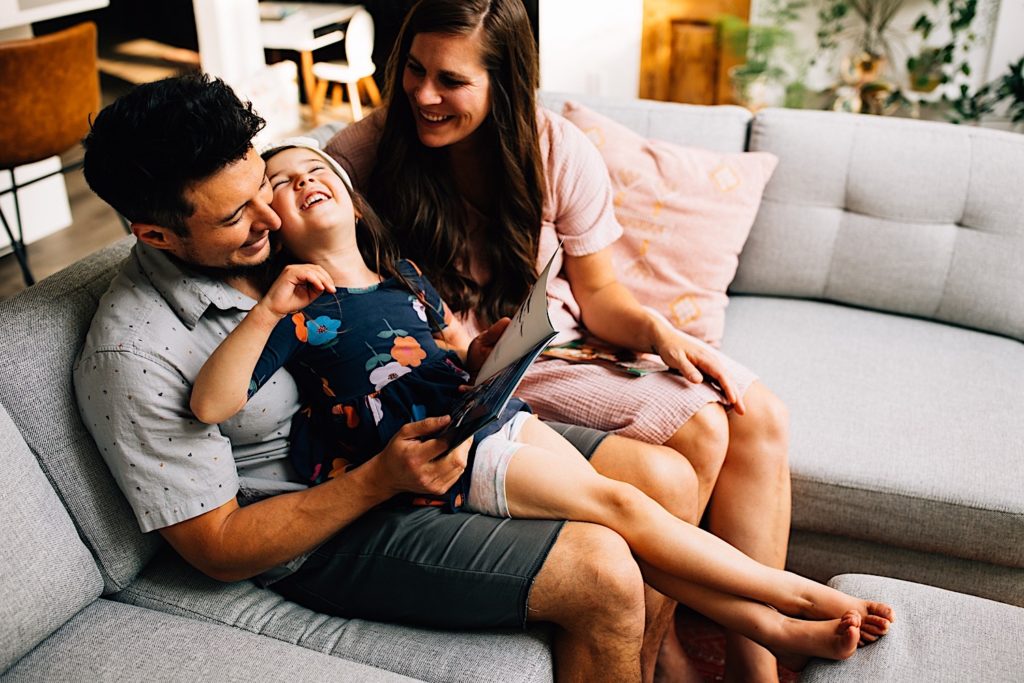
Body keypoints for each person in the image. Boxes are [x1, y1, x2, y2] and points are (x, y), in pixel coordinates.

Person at [73, 72, 718, 683]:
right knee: (601, 570)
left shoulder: (271, 242)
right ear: (156, 235)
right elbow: (217, 546)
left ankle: (648, 662)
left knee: (665, 476)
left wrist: (473, 358)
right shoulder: (134, 352)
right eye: (237, 215)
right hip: (322, 521)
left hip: (408, 434)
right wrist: (375, 482)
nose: (269, 218)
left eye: (259, 189)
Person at [190, 140, 894, 670]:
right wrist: (268, 310)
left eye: (316, 169)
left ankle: (770, 626)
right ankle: (793, 600)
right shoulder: (296, 311)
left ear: (348, 195)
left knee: (636, 518)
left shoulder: (400, 275)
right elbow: (211, 401)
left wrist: (487, 351)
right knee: (626, 513)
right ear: (270, 223)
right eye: (281, 182)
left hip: (490, 415)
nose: (305, 180)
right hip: (445, 451)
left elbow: (449, 350)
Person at [324, 0, 792, 678]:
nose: (423, 94)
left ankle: (758, 665)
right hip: (464, 373)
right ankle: (659, 647)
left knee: (759, 414)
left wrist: (662, 333)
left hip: (549, 348)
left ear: (504, 79)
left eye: (450, 81)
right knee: (703, 431)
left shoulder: (556, 152)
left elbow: (599, 296)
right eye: (415, 70)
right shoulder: (364, 155)